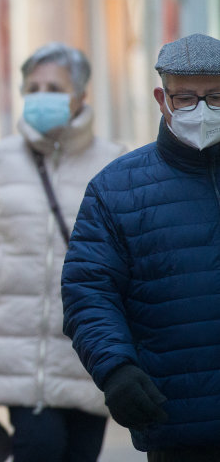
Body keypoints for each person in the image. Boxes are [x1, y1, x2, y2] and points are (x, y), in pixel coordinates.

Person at [62, 33, 220, 461]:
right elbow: (88, 291)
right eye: (186, 97)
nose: (203, 110)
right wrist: (116, 369)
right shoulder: (116, 190)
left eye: (216, 97)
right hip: (176, 422)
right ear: (161, 98)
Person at [0, 43, 126, 462]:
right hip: (19, 356)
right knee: (39, 446)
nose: (41, 96)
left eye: (53, 87)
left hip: (87, 354)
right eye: (33, 87)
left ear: (80, 95)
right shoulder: (0, 160)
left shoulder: (114, 165)